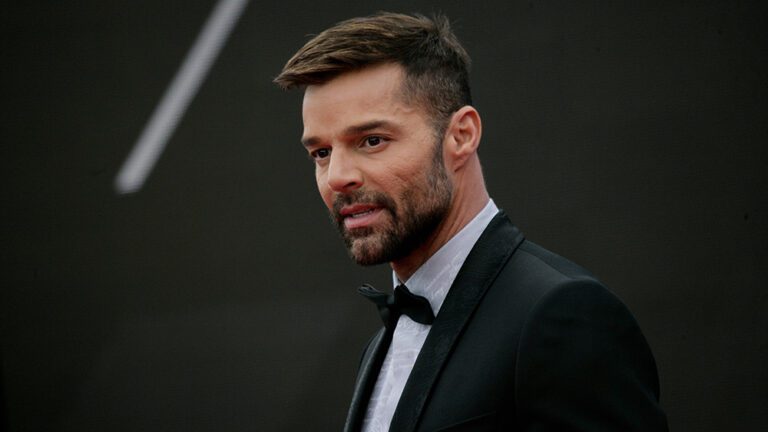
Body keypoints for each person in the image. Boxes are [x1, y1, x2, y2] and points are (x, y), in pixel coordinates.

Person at [275, 12, 668, 432]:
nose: (336, 176)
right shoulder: (381, 347)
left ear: (461, 135)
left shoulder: (561, 316)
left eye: (372, 141)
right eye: (321, 153)